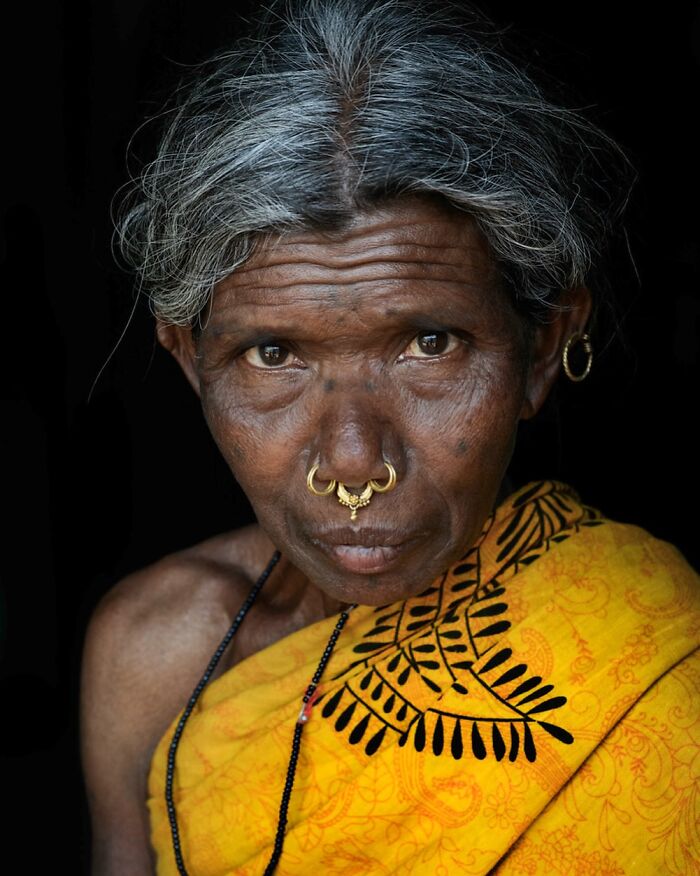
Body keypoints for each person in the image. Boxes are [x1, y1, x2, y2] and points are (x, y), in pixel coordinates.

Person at [80, 1, 700, 873]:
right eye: (272, 353)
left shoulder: (664, 666)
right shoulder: (155, 654)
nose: (354, 464)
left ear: (544, 346)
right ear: (190, 362)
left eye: (429, 344)